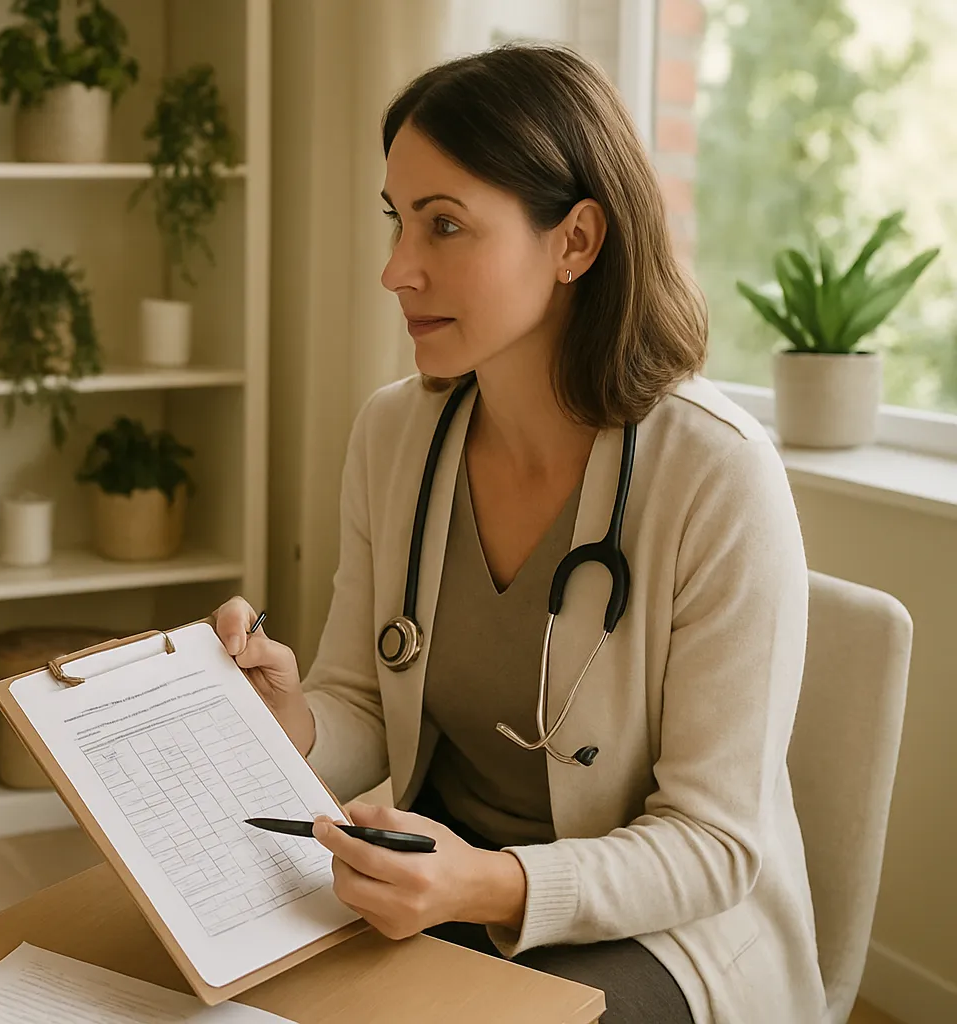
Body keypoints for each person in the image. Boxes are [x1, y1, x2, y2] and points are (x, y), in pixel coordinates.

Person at [214, 44, 823, 1024]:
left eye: (445, 225)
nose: (395, 270)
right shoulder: (395, 435)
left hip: (663, 931)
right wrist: (290, 717)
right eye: (398, 220)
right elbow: (363, 698)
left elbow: (714, 844)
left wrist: (488, 883)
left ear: (575, 240)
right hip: (442, 882)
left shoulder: (716, 472)